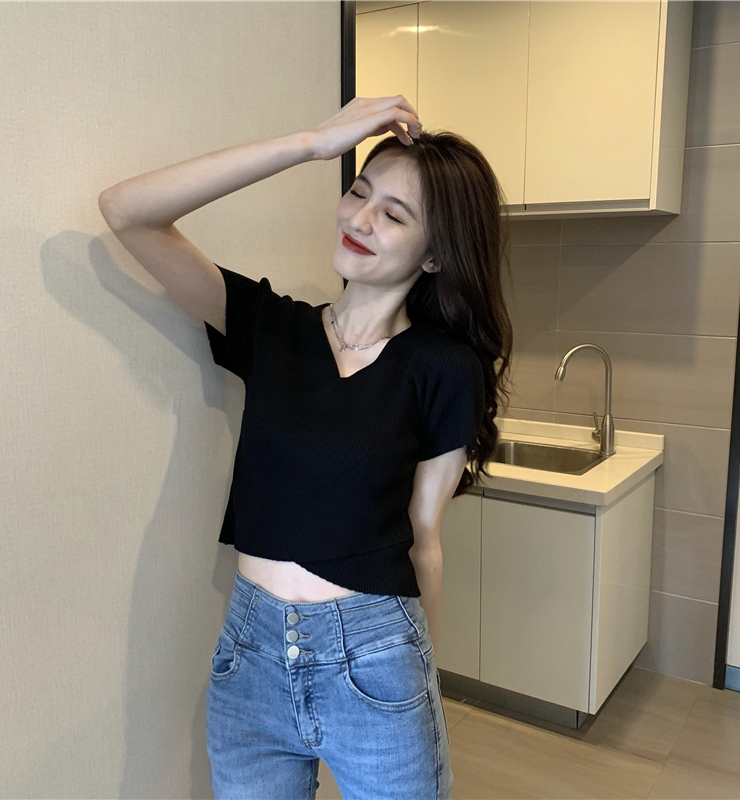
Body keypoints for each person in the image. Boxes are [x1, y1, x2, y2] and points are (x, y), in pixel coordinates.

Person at [98, 95, 513, 800]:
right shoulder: (272, 328)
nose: (361, 219)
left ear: (436, 254)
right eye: (358, 192)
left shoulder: (444, 368)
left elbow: (424, 536)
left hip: (376, 655)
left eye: (394, 215)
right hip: (249, 654)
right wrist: (311, 143)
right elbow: (126, 211)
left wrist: (423, 680)